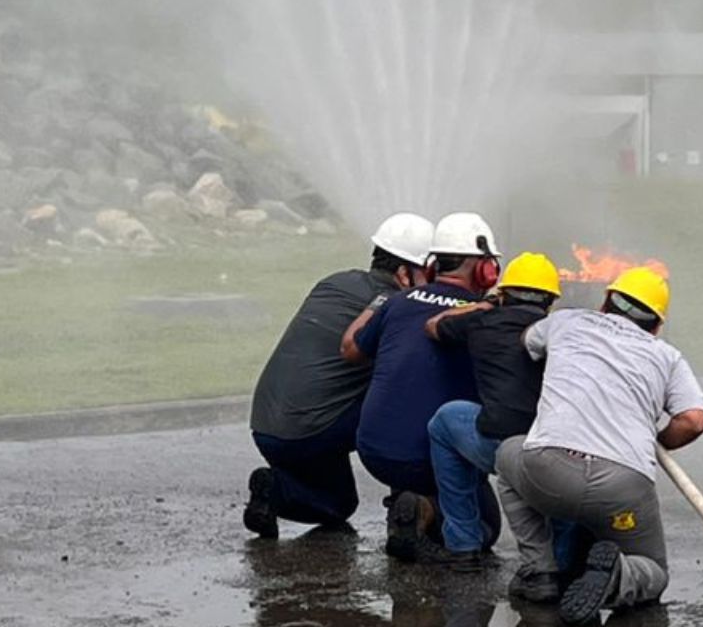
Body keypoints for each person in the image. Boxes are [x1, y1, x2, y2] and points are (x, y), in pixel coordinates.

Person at [494, 265, 703, 627]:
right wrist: (655, 441)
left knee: (506, 457)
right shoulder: (667, 355)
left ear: (605, 302)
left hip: (549, 470)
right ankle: (618, 576)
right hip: (622, 486)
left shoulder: (567, 322)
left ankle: (540, 572)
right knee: (654, 570)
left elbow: (527, 341)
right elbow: (694, 419)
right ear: (657, 325)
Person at [243, 212, 432, 540]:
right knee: (407, 395)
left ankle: (274, 490)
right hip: (316, 428)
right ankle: (409, 503)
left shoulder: (334, 281)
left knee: (338, 503)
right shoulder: (401, 306)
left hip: (266, 426)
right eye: (430, 271)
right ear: (404, 273)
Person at [346, 210, 500, 561]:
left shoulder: (396, 301)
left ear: (431, 266)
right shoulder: (482, 317)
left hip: (374, 451)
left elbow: (352, 348)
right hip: (426, 457)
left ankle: (406, 510)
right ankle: (425, 508)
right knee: (485, 529)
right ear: (484, 269)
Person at [422, 252, 573, 593]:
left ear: (503, 293)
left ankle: (463, 546)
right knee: (563, 489)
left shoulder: (481, 321)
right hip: (559, 453)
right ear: (550, 300)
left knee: (445, 421)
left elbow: (433, 325)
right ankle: (563, 564)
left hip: (500, 447)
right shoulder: (562, 333)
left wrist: (485, 305)